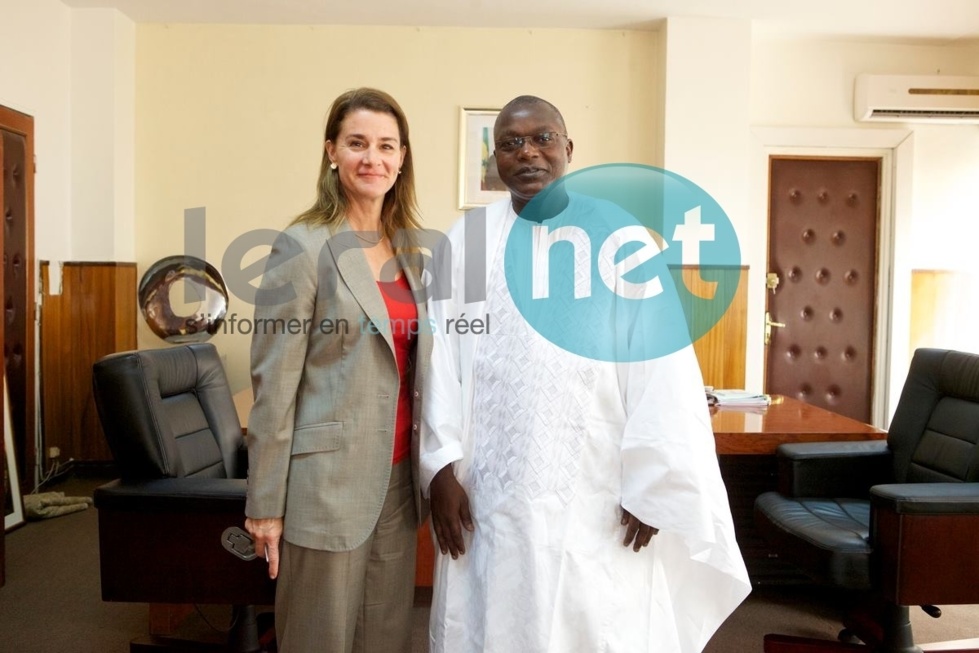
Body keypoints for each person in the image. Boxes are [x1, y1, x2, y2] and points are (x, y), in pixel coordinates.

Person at [420, 95, 751, 652]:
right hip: (489, 486)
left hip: (596, 487)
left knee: (596, 619)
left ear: (568, 148)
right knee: (493, 620)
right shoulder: (466, 240)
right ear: (494, 159)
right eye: (510, 143)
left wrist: (656, 481)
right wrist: (441, 467)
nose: (528, 152)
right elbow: (440, 362)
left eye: (542, 138)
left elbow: (662, 368)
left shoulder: (620, 239)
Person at [244, 87, 432, 653]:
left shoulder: (410, 251)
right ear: (331, 152)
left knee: (384, 635)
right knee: (317, 639)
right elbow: (274, 390)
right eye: (356, 143)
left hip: (398, 481)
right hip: (324, 485)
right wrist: (265, 508)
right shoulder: (300, 246)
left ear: (402, 159)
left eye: (385, 146)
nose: (372, 158)